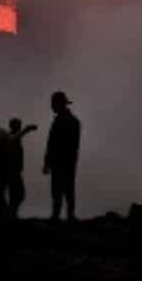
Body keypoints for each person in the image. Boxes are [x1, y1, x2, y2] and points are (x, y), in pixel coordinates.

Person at [43, 91, 81, 222]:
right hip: (68, 161)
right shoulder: (74, 121)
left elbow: (51, 144)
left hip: (60, 161)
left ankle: (57, 215)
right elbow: (74, 146)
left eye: (54, 104)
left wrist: (47, 162)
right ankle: (69, 215)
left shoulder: (59, 122)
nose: (52, 106)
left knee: (58, 189)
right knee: (68, 188)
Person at [6, 118, 39, 217]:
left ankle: (12, 213)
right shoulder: (10, 137)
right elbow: (15, 138)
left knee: (17, 194)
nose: (19, 127)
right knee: (18, 194)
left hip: (15, 170)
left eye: (19, 125)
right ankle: (11, 213)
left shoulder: (16, 138)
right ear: (12, 126)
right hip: (11, 170)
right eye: (17, 125)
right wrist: (27, 129)